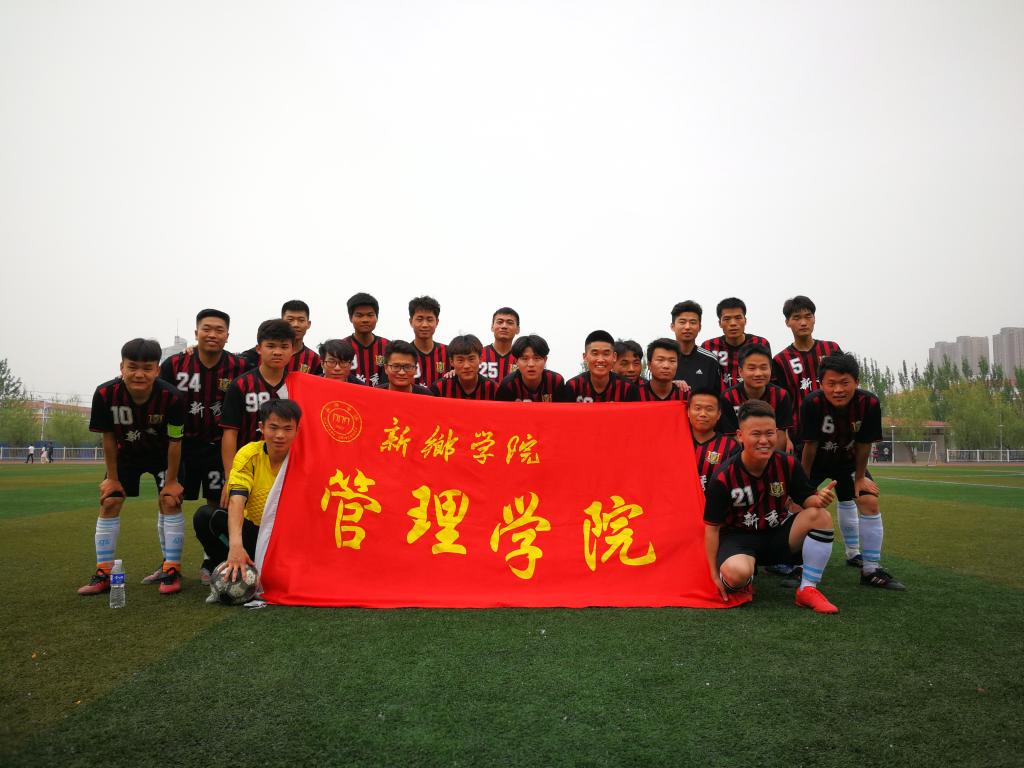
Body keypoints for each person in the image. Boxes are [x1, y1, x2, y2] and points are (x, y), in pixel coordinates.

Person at [704, 400, 840, 613]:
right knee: (736, 574)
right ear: (740, 436)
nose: (764, 440)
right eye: (756, 434)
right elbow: (712, 528)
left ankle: (807, 589)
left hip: (778, 535)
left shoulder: (788, 463)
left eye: (769, 433)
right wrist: (713, 575)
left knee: (820, 516)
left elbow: (807, 500)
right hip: (739, 540)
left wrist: (819, 499)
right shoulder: (723, 477)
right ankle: (745, 577)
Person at [78, 338, 186, 596]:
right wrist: (112, 479)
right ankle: (104, 573)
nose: (139, 374)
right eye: (132, 367)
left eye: (147, 368)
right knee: (110, 500)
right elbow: (108, 438)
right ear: (122, 367)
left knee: (171, 500)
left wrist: (172, 481)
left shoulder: (172, 397)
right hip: (126, 455)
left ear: (157, 370)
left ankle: (172, 569)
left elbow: (175, 441)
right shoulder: (105, 394)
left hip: (162, 455)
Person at [800, 353, 905, 590]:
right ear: (821, 384)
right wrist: (803, 485)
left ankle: (870, 569)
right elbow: (810, 446)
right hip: (816, 461)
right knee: (798, 504)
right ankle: (794, 564)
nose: (838, 389)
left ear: (856, 382)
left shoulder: (869, 403)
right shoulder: (812, 403)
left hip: (847, 461)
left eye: (844, 383)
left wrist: (859, 478)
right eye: (831, 383)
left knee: (869, 500)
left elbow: (864, 444)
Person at [160, 308, 248, 584]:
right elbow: (159, 396)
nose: (212, 334)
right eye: (206, 329)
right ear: (196, 332)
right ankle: (169, 564)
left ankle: (213, 561)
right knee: (170, 500)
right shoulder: (175, 364)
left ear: (227, 336)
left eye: (219, 330)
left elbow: (269, 356)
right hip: (181, 448)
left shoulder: (240, 365)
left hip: (218, 447)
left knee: (217, 502)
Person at [193, 398, 302, 596]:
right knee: (204, 516)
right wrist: (236, 545)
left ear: (297, 430)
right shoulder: (249, 454)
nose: (280, 435)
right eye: (273, 427)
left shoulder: (306, 458)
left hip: (291, 537)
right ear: (262, 427)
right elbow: (237, 499)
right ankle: (232, 564)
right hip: (256, 532)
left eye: (288, 429)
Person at [219, 319, 295, 509]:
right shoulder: (241, 385)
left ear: (293, 350)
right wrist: (231, 477)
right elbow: (230, 432)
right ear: (259, 348)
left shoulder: (300, 385)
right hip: (249, 467)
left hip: (289, 468)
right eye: (271, 346)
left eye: (284, 347)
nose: (277, 352)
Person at [772, 295, 842, 445]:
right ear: (787, 322)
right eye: (796, 318)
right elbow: (780, 402)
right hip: (799, 434)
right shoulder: (780, 360)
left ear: (814, 318)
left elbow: (844, 383)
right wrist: (786, 436)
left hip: (836, 427)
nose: (803, 322)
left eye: (808, 316)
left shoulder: (831, 349)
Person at [717, 345, 793, 449]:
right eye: (752, 368)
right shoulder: (728, 397)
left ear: (771, 369)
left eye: (763, 367)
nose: (758, 373)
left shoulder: (781, 395)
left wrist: (770, 457)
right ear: (740, 371)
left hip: (771, 452)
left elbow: (780, 434)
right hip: (740, 454)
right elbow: (732, 437)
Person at [701, 298, 771, 388]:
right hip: (718, 396)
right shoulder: (708, 346)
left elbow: (768, 377)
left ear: (745, 320)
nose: (733, 323)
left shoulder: (760, 343)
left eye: (738, 318)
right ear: (720, 323)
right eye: (727, 319)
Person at [240, 300, 322, 375]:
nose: (295, 324)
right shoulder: (253, 355)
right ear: (282, 321)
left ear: (308, 324)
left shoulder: (315, 360)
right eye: (290, 319)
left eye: (301, 320)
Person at [565, 330, 640, 403]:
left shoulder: (628, 387)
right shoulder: (573, 386)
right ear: (585, 357)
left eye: (606, 354)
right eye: (595, 354)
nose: (600, 360)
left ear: (614, 357)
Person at [496, 335, 574, 403]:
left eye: (537, 358)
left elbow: (562, 411)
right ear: (516, 361)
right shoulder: (508, 385)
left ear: (545, 360)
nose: (531, 364)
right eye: (524, 358)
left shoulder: (555, 381)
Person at [688, 387, 738, 491]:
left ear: (718, 414)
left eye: (709, 409)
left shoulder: (730, 446)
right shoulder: (675, 442)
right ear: (688, 412)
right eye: (697, 408)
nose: (703, 414)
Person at [670, 301, 722, 394]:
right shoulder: (664, 359)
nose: (687, 327)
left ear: (700, 327)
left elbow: (716, 396)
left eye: (693, 322)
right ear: (672, 326)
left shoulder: (710, 360)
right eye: (682, 322)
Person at [432, 335, 498, 400]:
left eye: (471, 359)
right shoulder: (439, 388)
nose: (466, 366)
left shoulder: (493, 389)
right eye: (460, 360)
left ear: (480, 359)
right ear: (451, 362)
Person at [343, 292, 388, 387]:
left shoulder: (388, 346)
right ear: (350, 318)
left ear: (377, 317)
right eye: (359, 315)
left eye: (370, 315)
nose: (365, 320)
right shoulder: (341, 347)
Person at [407, 296, 448, 387]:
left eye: (429, 319)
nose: (425, 325)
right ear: (411, 322)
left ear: (437, 322)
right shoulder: (404, 354)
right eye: (419, 319)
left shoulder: (448, 353)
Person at [480, 307, 520, 381]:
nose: (504, 326)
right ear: (492, 327)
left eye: (510, 323)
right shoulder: (478, 355)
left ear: (518, 329)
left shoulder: (523, 358)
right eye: (500, 322)